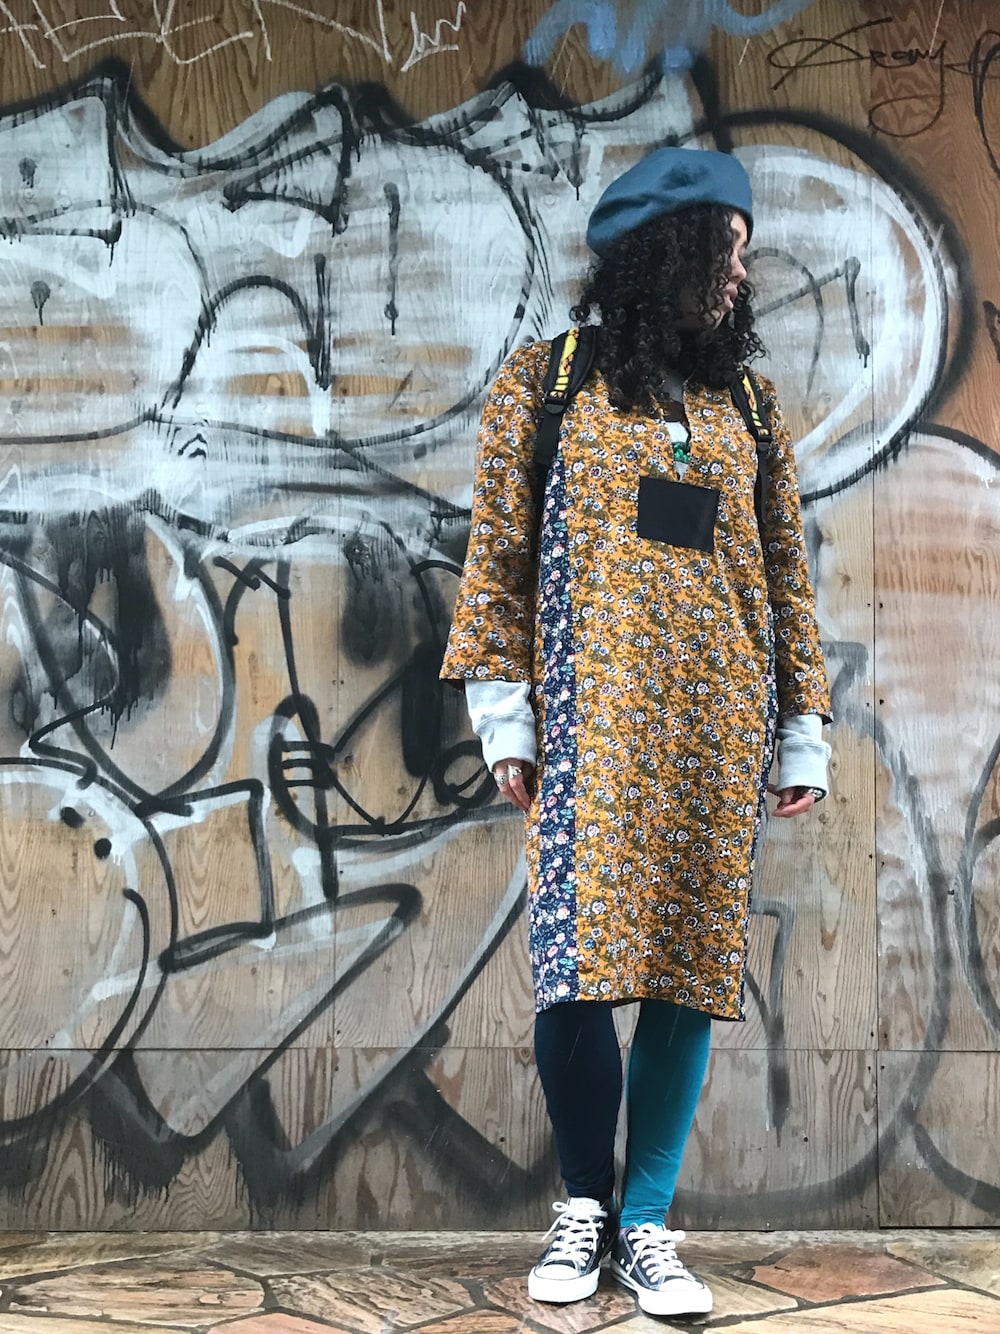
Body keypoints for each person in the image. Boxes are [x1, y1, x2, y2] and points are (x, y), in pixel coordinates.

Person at [440, 146, 831, 1319]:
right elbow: (496, 558)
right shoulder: (548, 383)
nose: (741, 274)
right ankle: (583, 1202)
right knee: (573, 962)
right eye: (728, 249)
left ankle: (646, 1222)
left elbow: (786, 576)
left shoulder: (746, 404)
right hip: (590, 727)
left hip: (717, 725)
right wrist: (502, 713)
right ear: (670, 249)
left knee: (686, 964)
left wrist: (800, 726)